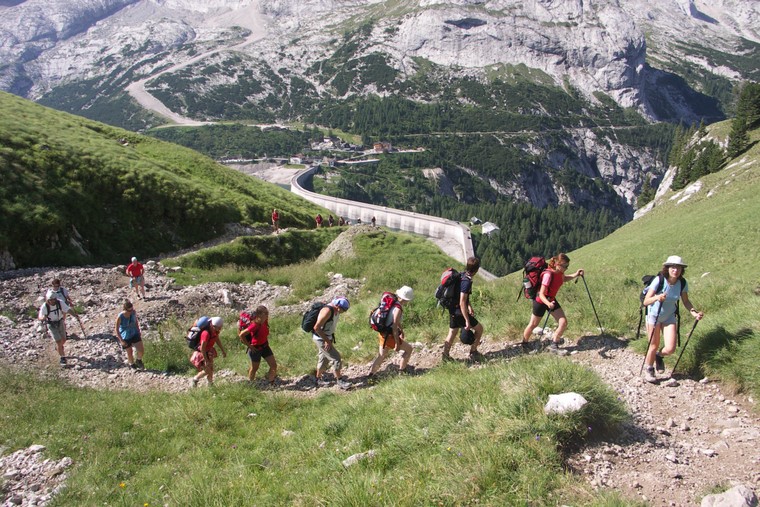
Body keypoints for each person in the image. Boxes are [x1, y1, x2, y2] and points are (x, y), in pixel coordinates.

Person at [641, 255, 703, 383]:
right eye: (673, 267)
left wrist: (694, 313)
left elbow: (685, 301)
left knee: (670, 348)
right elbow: (646, 301)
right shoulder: (659, 280)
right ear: (667, 268)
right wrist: (657, 297)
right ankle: (649, 369)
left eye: (679, 268)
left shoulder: (682, 283)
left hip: (669, 316)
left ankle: (659, 356)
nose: (676, 270)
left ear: (681, 270)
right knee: (654, 344)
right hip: (654, 315)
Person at [521, 253, 584, 355]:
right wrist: (548, 303)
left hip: (551, 300)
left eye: (567, 266)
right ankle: (524, 344)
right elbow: (541, 294)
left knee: (563, 322)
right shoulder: (548, 275)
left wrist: (576, 274)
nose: (566, 268)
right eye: (565, 266)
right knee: (533, 324)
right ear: (557, 264)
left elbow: (563, 278)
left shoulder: (559, 273)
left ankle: (554, 345)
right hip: (541, 301)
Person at [442, 257, 484, 361]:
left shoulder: (461, 275)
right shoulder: (467, 282)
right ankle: (473, 351)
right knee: (479, 329)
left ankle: (445, 356)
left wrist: (469, 306)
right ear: (477, 269)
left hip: (452, 309)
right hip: (459, 312)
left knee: (452, 332)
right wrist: (467, 320)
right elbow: (462, 301)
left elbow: (462, 297)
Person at [368, 286, 414, 377]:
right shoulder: (398, 309)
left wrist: (401, 329)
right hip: (390, 337)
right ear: (406, 299)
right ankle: (402, 372)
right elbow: (394, 326)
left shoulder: (391, 302)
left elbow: (393, 321)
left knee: (381, 356)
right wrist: (397, 343)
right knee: (409, 349)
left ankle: (371, 375)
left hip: (382, 334)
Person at [311, 297, 351, 389]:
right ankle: (340, 380)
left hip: (327, 337)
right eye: (342, 310)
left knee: (323, 359)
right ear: (337, 306)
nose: (343, 312)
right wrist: (327, 341)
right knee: (336, 358)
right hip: (321, 339)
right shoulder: (327, 311)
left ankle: (318, 379)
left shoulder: (335, 309)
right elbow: (316, 328)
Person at [239, 305, 277, 385]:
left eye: (267, 313)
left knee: (273, 365)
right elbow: (241, 334)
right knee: (254, 368)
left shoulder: (265, 321)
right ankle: (251, 384)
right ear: (259, 315)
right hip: (256, 349)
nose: (267, 314)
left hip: (265, 346)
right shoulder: (254, 325)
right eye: (265, 313)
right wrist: (250, 346)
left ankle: (271, 383)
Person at [38, 290, 76, 365]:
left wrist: (75, 316)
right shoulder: (45, 306)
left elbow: (67, 309)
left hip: (60, 322)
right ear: (48, 300)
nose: (52, 301)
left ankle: (59, 348)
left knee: (63, 339)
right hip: (51, 324)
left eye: (53, 299)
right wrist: (43, 318)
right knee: (58, 341)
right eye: (50, 300)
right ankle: (62, 358)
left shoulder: (60, 302)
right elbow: (40, 316)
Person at [191, 316, 227, 387]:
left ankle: (210, 384)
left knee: (210, 369)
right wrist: (206, 360)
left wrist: (222, 350)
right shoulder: (206, 333)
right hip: (203, 353)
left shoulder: (214, 331)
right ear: (213, 326)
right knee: (208, 370)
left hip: (209, 351)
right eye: (219, 327)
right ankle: (195, 379)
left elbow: (217, 339)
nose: (220, 329)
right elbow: (202, 348)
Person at [114, 300, 145, 369]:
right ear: (125, 309)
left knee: (141, 350)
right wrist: (121, 340)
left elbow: (136, 321)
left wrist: (138, 330)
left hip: (134, 332)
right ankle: (132, 365)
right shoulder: (120, 317)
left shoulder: (133, 313)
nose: (131, 312)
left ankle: (138, 360)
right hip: (125, 335)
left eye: (132, 310)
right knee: (129, 352)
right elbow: (116, 329)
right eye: (129, 311)